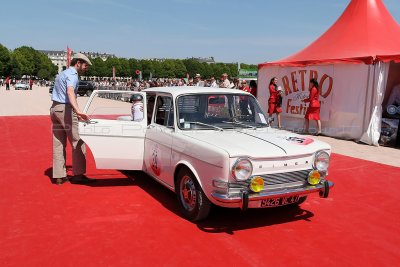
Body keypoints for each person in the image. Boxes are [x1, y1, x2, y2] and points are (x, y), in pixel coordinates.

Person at [50, 53, 95, 185]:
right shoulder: (73, 76)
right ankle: (79, 174)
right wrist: (79, 112)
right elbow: (70, 92)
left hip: (54, 109)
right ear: (78, 63)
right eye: (85, 65)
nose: (86, 68)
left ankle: (59, 176)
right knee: (78, 141)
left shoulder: (62, 74)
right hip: (65, 110)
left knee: (58, 143)